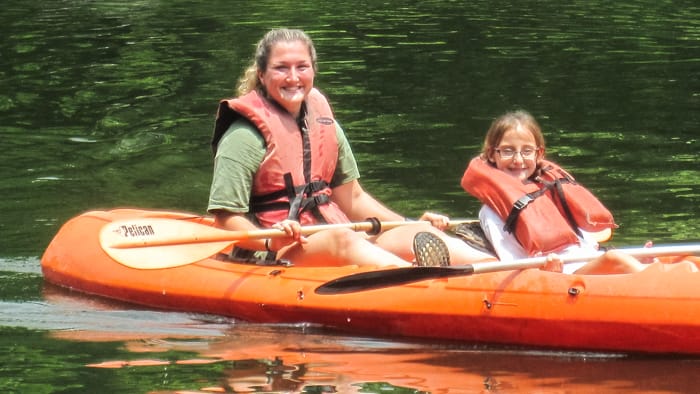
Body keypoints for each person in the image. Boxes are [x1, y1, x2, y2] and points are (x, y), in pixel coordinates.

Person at [207, 28, 494, 268]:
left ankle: (501, 270)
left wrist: (407, 222)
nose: (293, 78)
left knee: (418, 232)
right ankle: (417, 279)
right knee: (341, 239)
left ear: (313, 70)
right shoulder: (243, 135)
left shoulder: (322, 120)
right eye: (281, 68)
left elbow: (352, 198)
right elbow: (224, 218)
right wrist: (270, 239)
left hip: (338, 233)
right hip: (275, 247)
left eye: (301, 67)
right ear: (261, 73)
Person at [460, 110, 648, 274]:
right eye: (508, 151)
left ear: (539, 154)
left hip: (589, 261)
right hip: (564, 275)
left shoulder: (552, 188)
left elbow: (588, 243)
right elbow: (513, 263)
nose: (518, 160)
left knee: (632, 257)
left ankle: (650, 272)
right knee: (615, 260)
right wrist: (546, 272)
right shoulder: (493, 210)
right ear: (493, 154)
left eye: (527, 151)